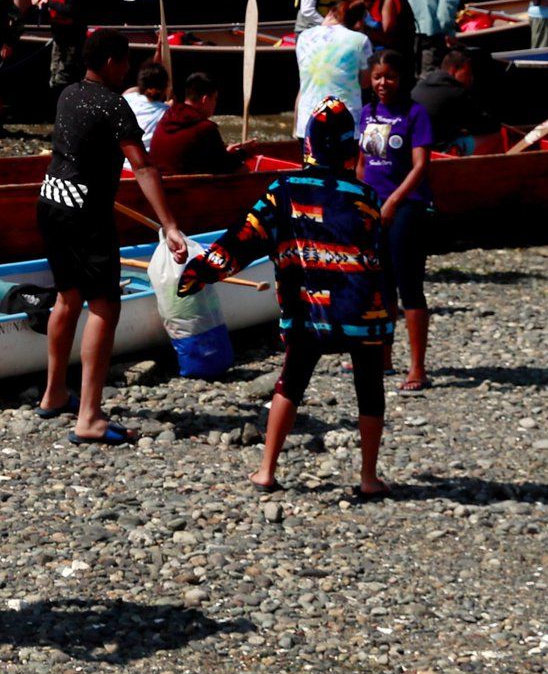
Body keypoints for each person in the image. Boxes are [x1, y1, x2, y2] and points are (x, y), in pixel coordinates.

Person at [181, 98, 392, 497]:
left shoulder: (284, 189)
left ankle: (266, 470)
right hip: (361, 312)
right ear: (350, 147)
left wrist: (201, 271)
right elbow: (379, 262)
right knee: (369, 388)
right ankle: (367, 478)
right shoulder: (367, 196)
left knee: (290, 382)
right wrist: (388, 325)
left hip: (308, 309)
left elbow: (242, 239)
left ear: (308, 145)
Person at [34, 30, 189, 445]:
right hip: (85, 213)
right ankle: (88, 416)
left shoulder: (69, 94)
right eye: (124, 62)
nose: (129, 70)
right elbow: (142, 167)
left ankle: (53, 393)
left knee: (67, 296)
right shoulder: (113, 104)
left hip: (50, 202)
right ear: (108, 63)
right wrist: (169, 225)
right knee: (104, 305)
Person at [360, 51, 435, 393]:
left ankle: (417, 367)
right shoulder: (367, 113)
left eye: (389, 76)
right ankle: (384, 357)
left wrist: (392, 202)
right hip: (373, 208)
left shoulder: (415, 114)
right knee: (381, 286)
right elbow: (363, 164)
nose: (382, 83)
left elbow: (420, 166)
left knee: (409, 286)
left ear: (401, 78)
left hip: (407, 208)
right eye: (377, 77)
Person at [293, 0, 372, 126]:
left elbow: (304, 82)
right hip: (345, 120)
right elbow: (365, 83)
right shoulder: (360, 40)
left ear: (330, 13)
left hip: (308, 119)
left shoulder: (304, 37)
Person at [152, 72, 240, 174]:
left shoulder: (165, 118)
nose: (215, 104)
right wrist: (244, 153)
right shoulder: (205, 128)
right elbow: (226, 168)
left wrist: (226, 153)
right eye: (215, 99)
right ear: (205, 99)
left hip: (159, 186)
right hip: (189, 188)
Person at [414, 49, 493, 155]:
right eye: (468, 73)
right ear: (453, 70)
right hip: (434, 152)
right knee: (493, 135)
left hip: (412, 147)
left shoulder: (421, 84)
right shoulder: (457, 92)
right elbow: (483, 124)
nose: (471, 78)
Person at [39, 0, 91, 90]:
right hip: (58, 35)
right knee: (54, 70)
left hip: (72, 38)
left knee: (66, 73)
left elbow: (70, 10)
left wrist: (49, 3)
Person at [122, 61, 172, 146]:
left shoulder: (128, 99)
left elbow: (134, 89)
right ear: (165, 87)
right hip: (149, 157)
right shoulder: (169, 113)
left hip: (126, 157)